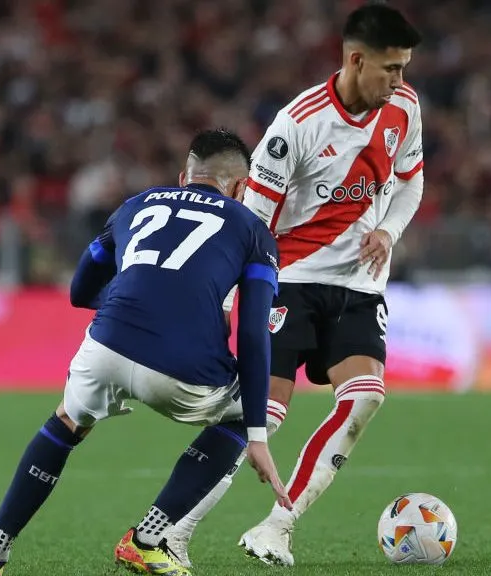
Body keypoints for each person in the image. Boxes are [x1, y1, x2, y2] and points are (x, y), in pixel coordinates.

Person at [0, 129, 292, 576]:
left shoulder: (136, 204)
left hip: (106, 347)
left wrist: (136, 300)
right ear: (240, 187)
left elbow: (80, 291)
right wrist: (257, 436)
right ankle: (147, 537)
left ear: (184, 178)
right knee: (237, 417)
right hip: (182, 369)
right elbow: (253, 334)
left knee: (66, 420)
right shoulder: (251, 228)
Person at [165, 3, 425, 568]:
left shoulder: (404, 108)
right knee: (260, 417)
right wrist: (233, 298)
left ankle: (278, 528)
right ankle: (169, 532)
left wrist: (387, 228)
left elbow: (410, 182)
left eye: (405, 68)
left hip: (358, 285)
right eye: (391, 69)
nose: (401, 81)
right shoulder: (298, 125)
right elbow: (251, 223)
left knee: (366, 398)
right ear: (357, 60)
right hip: (289, 280)